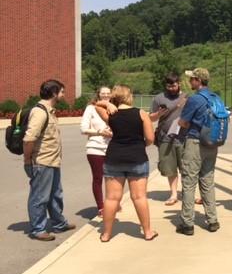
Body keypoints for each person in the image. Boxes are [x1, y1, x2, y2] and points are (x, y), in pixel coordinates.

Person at [95, 85, 157, 242]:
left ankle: (106, 234)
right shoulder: (141, 114)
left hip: (114, 157)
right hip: (136, 157)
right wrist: (140, 144)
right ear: (129, 96)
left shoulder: (111, 114)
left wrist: (107, 103)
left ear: (114, 97)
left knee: (111, 198)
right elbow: (150, 138)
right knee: (139, 196)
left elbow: (96, 105)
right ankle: (148, 231)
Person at [23, 79, 76, 241]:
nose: (63, 95)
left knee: (55, 195)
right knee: (40, 197)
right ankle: (38, 229)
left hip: (52, 161)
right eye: (62, 92)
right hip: (42, 162)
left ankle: (59, 223)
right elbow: (29, 139)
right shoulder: (40, 112)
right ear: (54, 93)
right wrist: (27, 161)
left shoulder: (50, 110)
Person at [175, 68, 221, 235]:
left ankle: (187, 223)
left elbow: (183, 122)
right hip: (212, 144)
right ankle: (212, 220)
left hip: (195, 142)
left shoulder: (195, 99)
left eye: (192, 79)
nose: (190, 81)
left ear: (198, 81)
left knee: (189, 183)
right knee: (208, 181)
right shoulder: (215, 97)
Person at [150, 73, 187, 206]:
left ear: (179, 84)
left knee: (186, 168)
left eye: (174, 85)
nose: (171, 88)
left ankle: (188, 193)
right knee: (169, 168)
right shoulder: (159, 98)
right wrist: (158, 114)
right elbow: (151, 118)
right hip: (165, 137)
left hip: (184, 138)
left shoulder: (186, 97)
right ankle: (173, 194)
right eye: (169, 86)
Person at [80, 86, 113, 216]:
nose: (105, 96)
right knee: (98, 178)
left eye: (108, 93)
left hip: (112, 148)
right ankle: (101, 207)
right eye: (103, 93)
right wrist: (99, 132)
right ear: (98, 95)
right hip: (95, 149)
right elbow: (83, 129)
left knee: (112, 178)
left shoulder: (114, 108)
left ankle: (111, 203)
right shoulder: (91, 109)